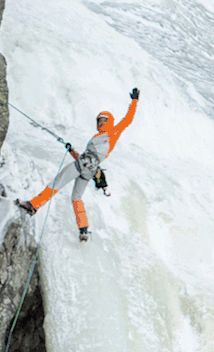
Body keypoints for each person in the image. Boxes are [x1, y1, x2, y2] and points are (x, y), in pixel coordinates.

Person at [16, 88, 140, 242]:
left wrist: (134, 101)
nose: (100, 122)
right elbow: (89, 157)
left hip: (83, 165)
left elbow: (127, 120)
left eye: (103, 120)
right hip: (90, 170)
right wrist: (71, 151)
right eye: (99, 120)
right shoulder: (103, 137)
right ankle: (84, 230)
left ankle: (33, 206)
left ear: (109, 122)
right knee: (76, 198)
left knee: (56, 183)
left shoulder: (111, 133)